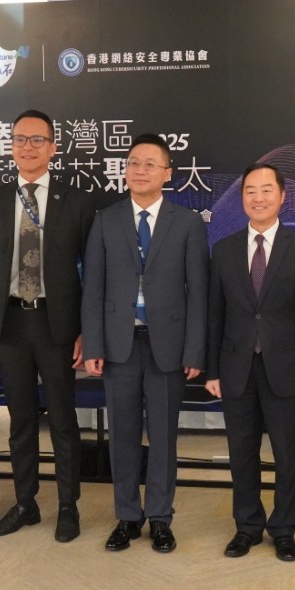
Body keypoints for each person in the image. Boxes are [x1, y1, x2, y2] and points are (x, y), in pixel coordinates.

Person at [82, 133, 208, 553]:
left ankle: (160, 517)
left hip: (167, 346)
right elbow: (93, 289)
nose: (140, 170)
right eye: (133, 163)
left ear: (167, 173)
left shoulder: (187, 223)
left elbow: (199, 293)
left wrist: (194, 349)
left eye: (150, 164)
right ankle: (127, 517)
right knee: (121, 436)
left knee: (163, 436)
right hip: (119, 346)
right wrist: (94, 345)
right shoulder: (106, 220)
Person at [0, 110, 95, 542]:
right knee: (20, 420)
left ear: (53, 147)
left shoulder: (76, 201)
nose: (28, 147)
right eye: (20, 139)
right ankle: (25, 503)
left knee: (62, 419)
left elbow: (93, 273)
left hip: (56, 323)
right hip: (9, 324)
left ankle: (68, 506)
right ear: (10, 146)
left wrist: (86, 329)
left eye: (37, 140)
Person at [204, 163, 295, 562]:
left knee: (288, 455)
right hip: (236, 368)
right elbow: (215, 315)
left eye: (266, 190)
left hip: (286, 369)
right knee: (242, 454)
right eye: (250, 191)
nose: (258, 197)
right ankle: (247, 527)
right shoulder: (223, 249)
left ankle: (285, 529)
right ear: (242, 199)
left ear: (282, 196)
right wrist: (212, 369)